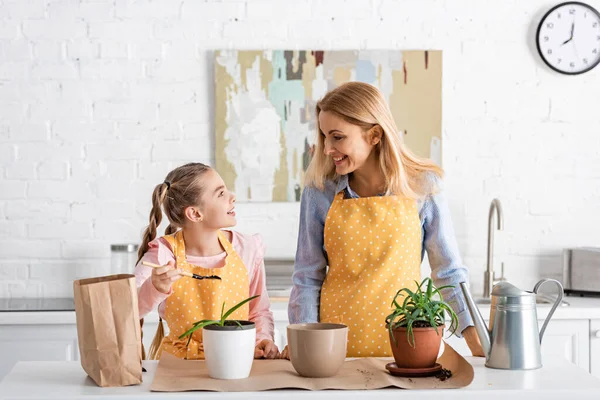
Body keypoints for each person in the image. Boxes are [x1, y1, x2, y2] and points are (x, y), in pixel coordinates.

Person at [286, 82, 483, 358]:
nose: (328, 148)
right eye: (324, 136)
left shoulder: (423, 187)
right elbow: (307, 277)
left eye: (337, 137)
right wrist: (303, 342)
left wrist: (477, 340)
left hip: (410, 351)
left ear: (375, 135)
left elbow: (448, 271)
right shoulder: (319, 192)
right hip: (334, 353)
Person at [135, 162, 279, 360]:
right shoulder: (164, 254)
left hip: (235, 360)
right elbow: (127, 309)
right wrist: (154, 288)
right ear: (195, 213)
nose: (232, 196)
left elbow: (258, 311)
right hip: (179, 366)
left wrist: (263, 339)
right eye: (220, 194)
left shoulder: (247, 249)